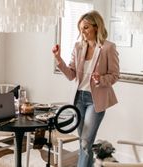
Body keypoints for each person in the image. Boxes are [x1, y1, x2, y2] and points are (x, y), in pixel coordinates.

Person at [52, 10, 119, 167]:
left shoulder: (108, 48)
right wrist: (58, 59)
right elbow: (71, 75)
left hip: (95, 101)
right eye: (81, 28)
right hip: (79, 98)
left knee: (86, 142)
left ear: (96, 27)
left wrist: (100, 79)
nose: (82, 32)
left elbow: (115, 75)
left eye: (86, 27)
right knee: (83, 142)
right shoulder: (78, 47)